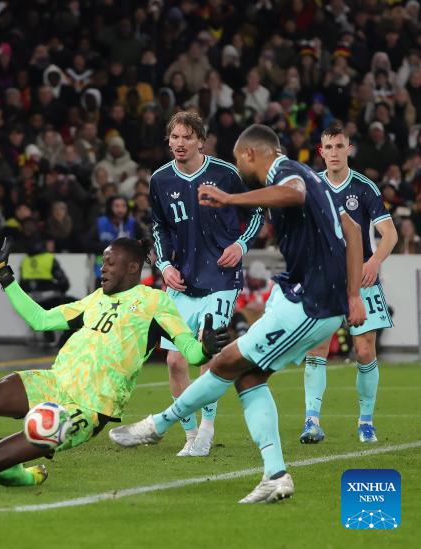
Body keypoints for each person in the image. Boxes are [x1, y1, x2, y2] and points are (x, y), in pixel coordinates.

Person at [109, 125, 367, 504]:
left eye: (237, 159)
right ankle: (275, 475)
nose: (236, 167)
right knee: (248, 377)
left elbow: (293, 193)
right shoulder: (312, 176)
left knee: (224, 362)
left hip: (310, 303)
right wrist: (354, 294)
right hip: (307, 297)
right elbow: (353, 230)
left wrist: (231, 198)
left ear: (249, 155)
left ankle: (158, 424)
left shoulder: (285, 172)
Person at [0, 231, 227, 486]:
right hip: (54, 382)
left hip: (88, 408)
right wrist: (3, 274)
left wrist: (206, 347)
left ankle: (27, 477)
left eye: (110, 263)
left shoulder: (155, 302)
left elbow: (190, 351)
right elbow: (40, 320)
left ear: (133, 267)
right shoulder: (93, 300)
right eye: (102, 262)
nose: (102, 269)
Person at [149, 111, 264, 457]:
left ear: (201, 140)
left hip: (221, 278)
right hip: (182, 281)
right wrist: (164, 265)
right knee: (174, 362)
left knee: (206, 349)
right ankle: (189, 434)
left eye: (187, 137)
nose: (180, 143)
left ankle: (207, 429)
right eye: (175, 137)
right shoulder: (160, 180)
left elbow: (257, 210)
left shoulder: (225, 174)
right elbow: (159, 226)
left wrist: (240, 245)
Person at [300, 123, 398, 445]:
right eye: (328, 147)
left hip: (362, 278)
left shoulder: (364, 187)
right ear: (321, 151)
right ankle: (312, 421)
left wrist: (374, 261)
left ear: (348, 149)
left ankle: (366, 422)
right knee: (316, 348)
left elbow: (390, 234)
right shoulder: (312, 186)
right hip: (324, 279)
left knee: (364, 350)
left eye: (339, 146)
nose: (334, 153)